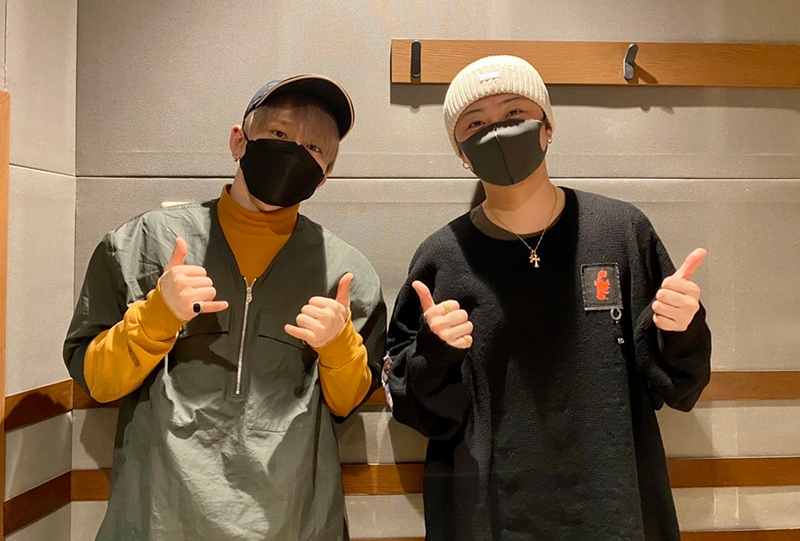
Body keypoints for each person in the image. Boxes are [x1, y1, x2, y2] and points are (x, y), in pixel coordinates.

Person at [384, 55, 711, 541]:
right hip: (487, 514)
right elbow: (417, 409)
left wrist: (682, 329)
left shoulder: (621, 232)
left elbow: (679, 388)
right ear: (461, 153)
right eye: (475, 123)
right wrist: (433, 355)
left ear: (548, 126)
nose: (497, 130)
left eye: (514, 113)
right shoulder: (442, 258)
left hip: (612, 504)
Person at [64, 74, 386, 540]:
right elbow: (95, 380)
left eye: (314, 147)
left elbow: (348, 402)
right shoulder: (143, 244)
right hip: (160, 516)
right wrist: (156, 317)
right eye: (279, 133)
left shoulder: (345, 272)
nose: (294, 152)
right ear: (239, 141)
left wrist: (338, 348)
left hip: (291, 519)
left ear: (325, 174)